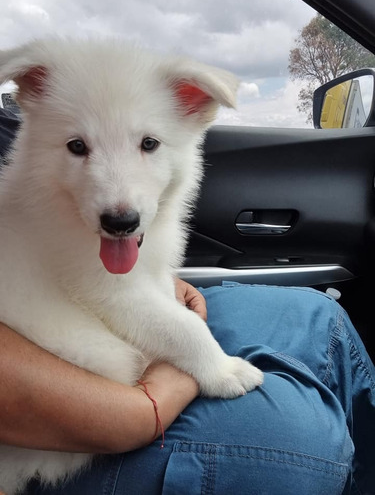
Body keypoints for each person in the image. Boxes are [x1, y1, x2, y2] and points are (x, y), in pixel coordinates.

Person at [0, 108, 374, 494]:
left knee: (322, 320)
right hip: (54, 433)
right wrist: (175, 382)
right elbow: (105, 295)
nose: (118, 196)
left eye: (148, 144)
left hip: (101, 343)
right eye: (79, 147)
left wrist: (162, 287)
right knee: (308, 445)